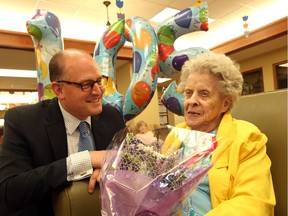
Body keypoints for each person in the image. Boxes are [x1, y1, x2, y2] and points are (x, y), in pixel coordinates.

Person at [0, 49, 125, 216]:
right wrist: (86, 160)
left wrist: (111, 169)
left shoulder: (112, 117)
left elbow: (129, 165)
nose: (98, 91)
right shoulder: (24, 121)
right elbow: (10, 192)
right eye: (86, 84)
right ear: (59, 90)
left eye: (99, 81)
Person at [161, 53, 276, 215]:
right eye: (188, 93)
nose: (191, 101)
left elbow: (253, 202)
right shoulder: (176, 135)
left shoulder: (246, 138)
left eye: (204, 94)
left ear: (225, 103)